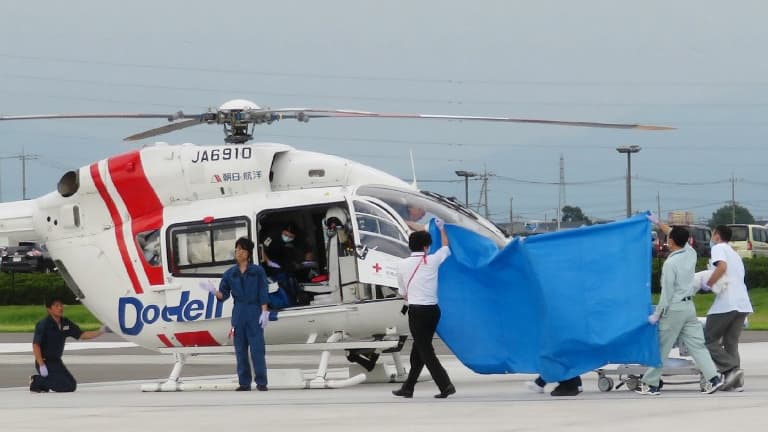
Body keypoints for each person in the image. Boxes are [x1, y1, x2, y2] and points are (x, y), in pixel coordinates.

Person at [637, 217, 723, 396]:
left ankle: (651, 384)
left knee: (663, 346)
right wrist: (660, 224)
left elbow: (667, 293)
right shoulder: (691, 254)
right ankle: (713, 378)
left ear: (671, 241)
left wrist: (657, 314)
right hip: (689, 307)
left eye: (667, 237)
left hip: (674, 309)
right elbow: (677, 236)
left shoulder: (670, 264)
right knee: (698, 346)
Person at [392, 218, 456, 399]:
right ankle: (408, 387)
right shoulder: (433, 260)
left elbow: (402, 292)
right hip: (433, 311)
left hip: (417, 312)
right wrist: (442, 228)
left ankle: (446, 385)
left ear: (410, 246)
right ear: (427, 246)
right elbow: (446, 247)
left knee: (425, 350)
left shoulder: (402, 265)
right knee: (418, 350)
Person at [209, 237, 271, 391]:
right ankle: (244, 383)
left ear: (248, 253)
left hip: (254, 311)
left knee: (257, 349)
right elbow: (223, 295)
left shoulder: (257, 271)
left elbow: (263, 291)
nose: (238, 253)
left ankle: (261, 382)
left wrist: (264, 311)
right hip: (238, 313)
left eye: (242, 250)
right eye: (236, 250)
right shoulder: (230, 273)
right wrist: (214, 292)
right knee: (240, 350)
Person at [703, 225, 753, 391]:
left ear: (717, 236)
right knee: (731, 343)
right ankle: (736, 382)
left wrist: (709, 283)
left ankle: (731, 369)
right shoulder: (735, 254)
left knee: (708, 339)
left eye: (712, 235)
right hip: (743, 303)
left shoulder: (718, 248)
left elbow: (722, 267)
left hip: (727, 303)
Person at [29, 298, 107, 393]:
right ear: (49, 309)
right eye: (56, 306)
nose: (60, 308)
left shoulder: (65, 323)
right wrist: (41, 365)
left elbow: (82, 335)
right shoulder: (43, 324)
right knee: (65, 387)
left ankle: (43, 384)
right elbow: (36, 345)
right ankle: (36, 380)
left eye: (61, 305)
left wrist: (101, 331)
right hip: (45, 362)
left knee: (72, 385)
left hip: (57, 362)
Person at [261, 223, 312, 304]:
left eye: (291, 236)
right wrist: (268, 261)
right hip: (274, 270)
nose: (287, 237)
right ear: (282, 232)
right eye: (285, 234)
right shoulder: (272, 237)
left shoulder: (299, 240)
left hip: (289, 269)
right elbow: (261, 248)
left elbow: (308, 250)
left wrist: (307, 262)